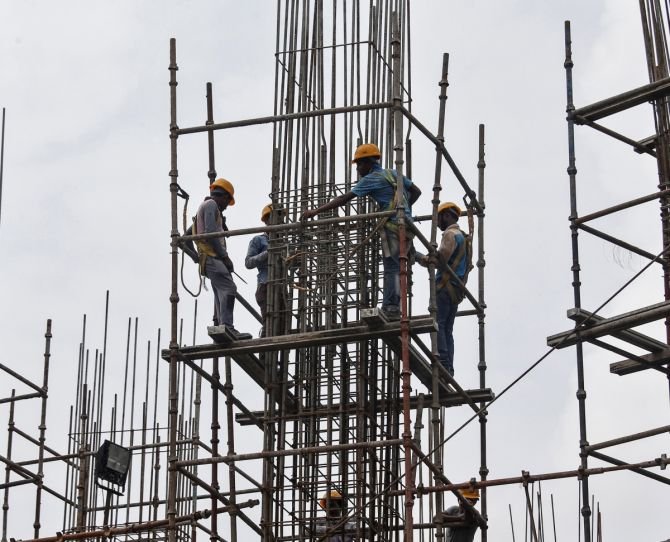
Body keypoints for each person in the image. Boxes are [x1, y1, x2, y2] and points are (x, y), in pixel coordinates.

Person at [301, 143, 421, 319]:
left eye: (360, 164)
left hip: (392, 227)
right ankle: (421, 258)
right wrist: (404, 209)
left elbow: (344, 198)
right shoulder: (393, 173)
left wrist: (316, 211)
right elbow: (416, 191)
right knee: (401, 261)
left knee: (392, 268)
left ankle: (392, 306)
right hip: (407, 226)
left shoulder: (372, 179)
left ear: (369, 162)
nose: (358, 168)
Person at [182, 178, 243, 336]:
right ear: (223, 196)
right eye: (227, 202)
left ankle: (221, 326)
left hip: (208, 259)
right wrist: (225, 257)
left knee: (220, 292)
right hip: (213, 258)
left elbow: (185, 239)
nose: (226, 207)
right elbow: (210, 233)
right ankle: (227, 326)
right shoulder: (211, 205)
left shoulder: (203, 210)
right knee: (229, 289)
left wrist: (196, 257)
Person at [418, 202, 468, 376]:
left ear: (447, 216)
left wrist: (420, 258)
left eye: (438, 219)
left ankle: (444, 364)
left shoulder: (450, 234)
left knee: (439, 325)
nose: (438, 223)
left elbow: (441, 261)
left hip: (445, 287)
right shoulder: (463, 236)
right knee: (447, 329)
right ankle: (449, 367)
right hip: (456, 291)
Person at [245, 204, 271, 336]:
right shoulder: (259, 240)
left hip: (281, 288)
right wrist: (267, 253)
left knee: (282, 329)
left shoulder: (283, 241)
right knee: (269, 326)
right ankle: (264, 357)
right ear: (266, 220)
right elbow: (248, 263)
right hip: (265, 286)